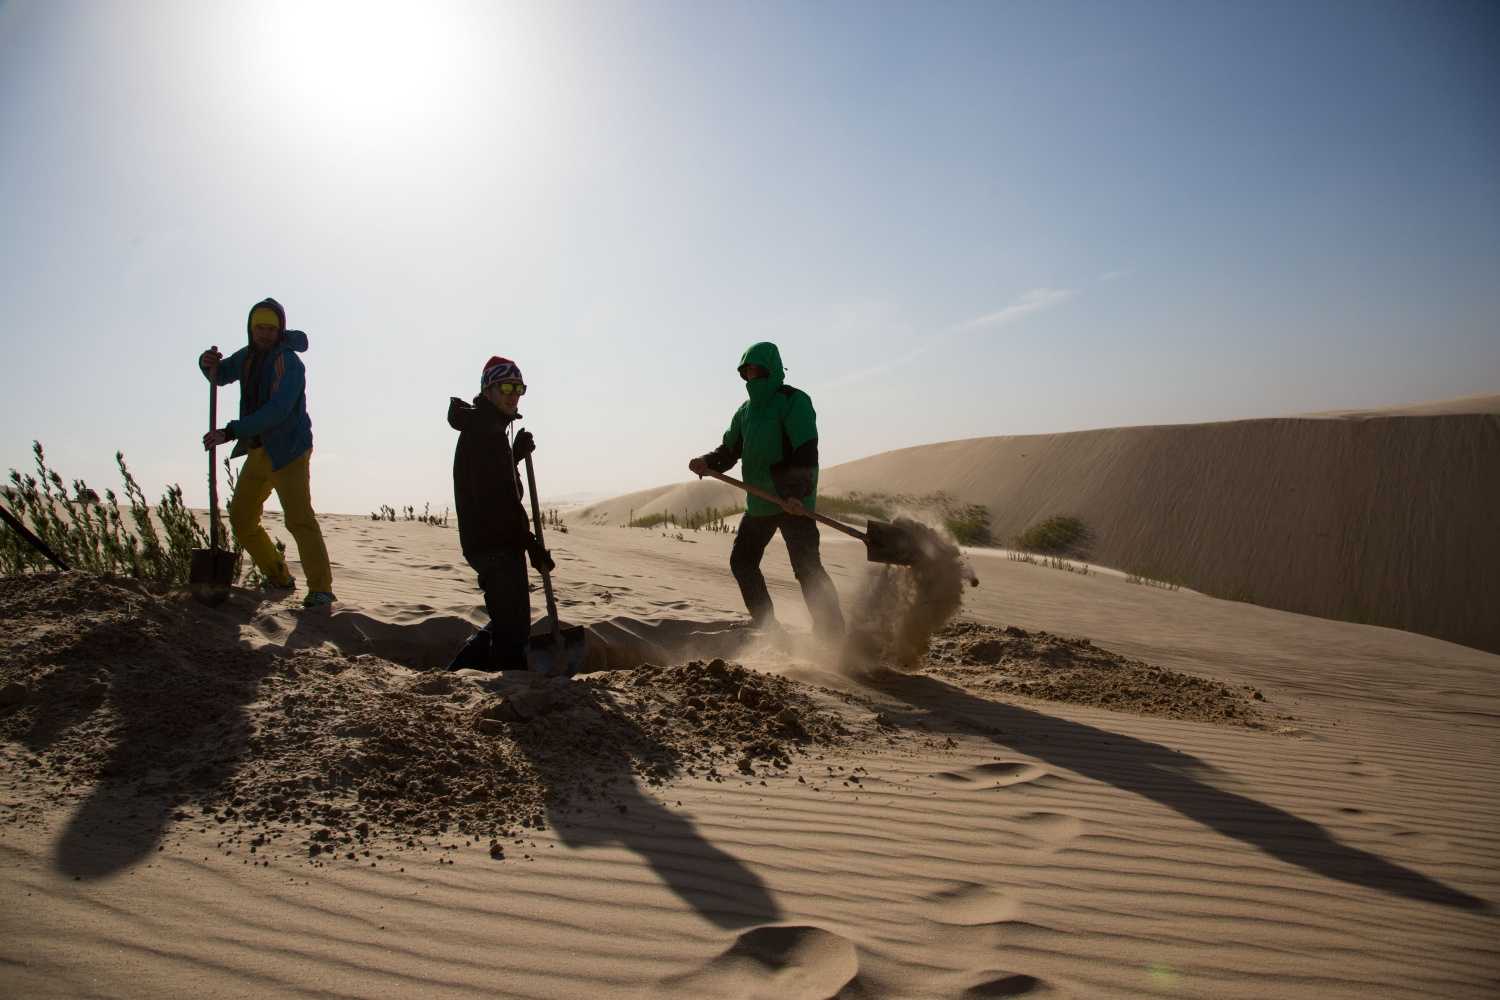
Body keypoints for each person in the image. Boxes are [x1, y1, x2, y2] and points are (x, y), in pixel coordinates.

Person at [689, 342, 845, 641]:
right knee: (742, 563)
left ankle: (832, 637)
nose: (751, 375)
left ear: (770, 369)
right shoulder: (745, 412)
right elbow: (729, 451)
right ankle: (770, 629)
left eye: (757, 369)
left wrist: (797, 494)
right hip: (760, 503)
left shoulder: (793, 401)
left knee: (807, 569)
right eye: (746, 370)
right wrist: (707, 462)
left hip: (792, 502)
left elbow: (805, 450)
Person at [199, 298, 335, 607]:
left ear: (279, 330)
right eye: (259, 327)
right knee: (242, 517)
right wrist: (206, 361)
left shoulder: (289, 363)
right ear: (250, 328)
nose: (264, 333)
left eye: (271, 328)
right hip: (259, 450)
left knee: (299, 520)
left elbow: (278, 410)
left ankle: (321, 589)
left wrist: (231, 431)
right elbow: (219, 375)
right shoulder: (247, 357)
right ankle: (279, 576)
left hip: (289, 450)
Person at [447, 356, 553, 671]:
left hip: (492, 540)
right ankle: (507, 682)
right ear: (488, 389)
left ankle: (456, 675)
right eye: (505, 386)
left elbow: (496, 480)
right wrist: (530, 542)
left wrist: (514, 456)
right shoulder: (485, 432)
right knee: (513, 627)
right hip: (493, 543)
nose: (513, 394)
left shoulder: (488, 427)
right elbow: (498, 501)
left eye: (519, 388)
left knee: (509, 620)